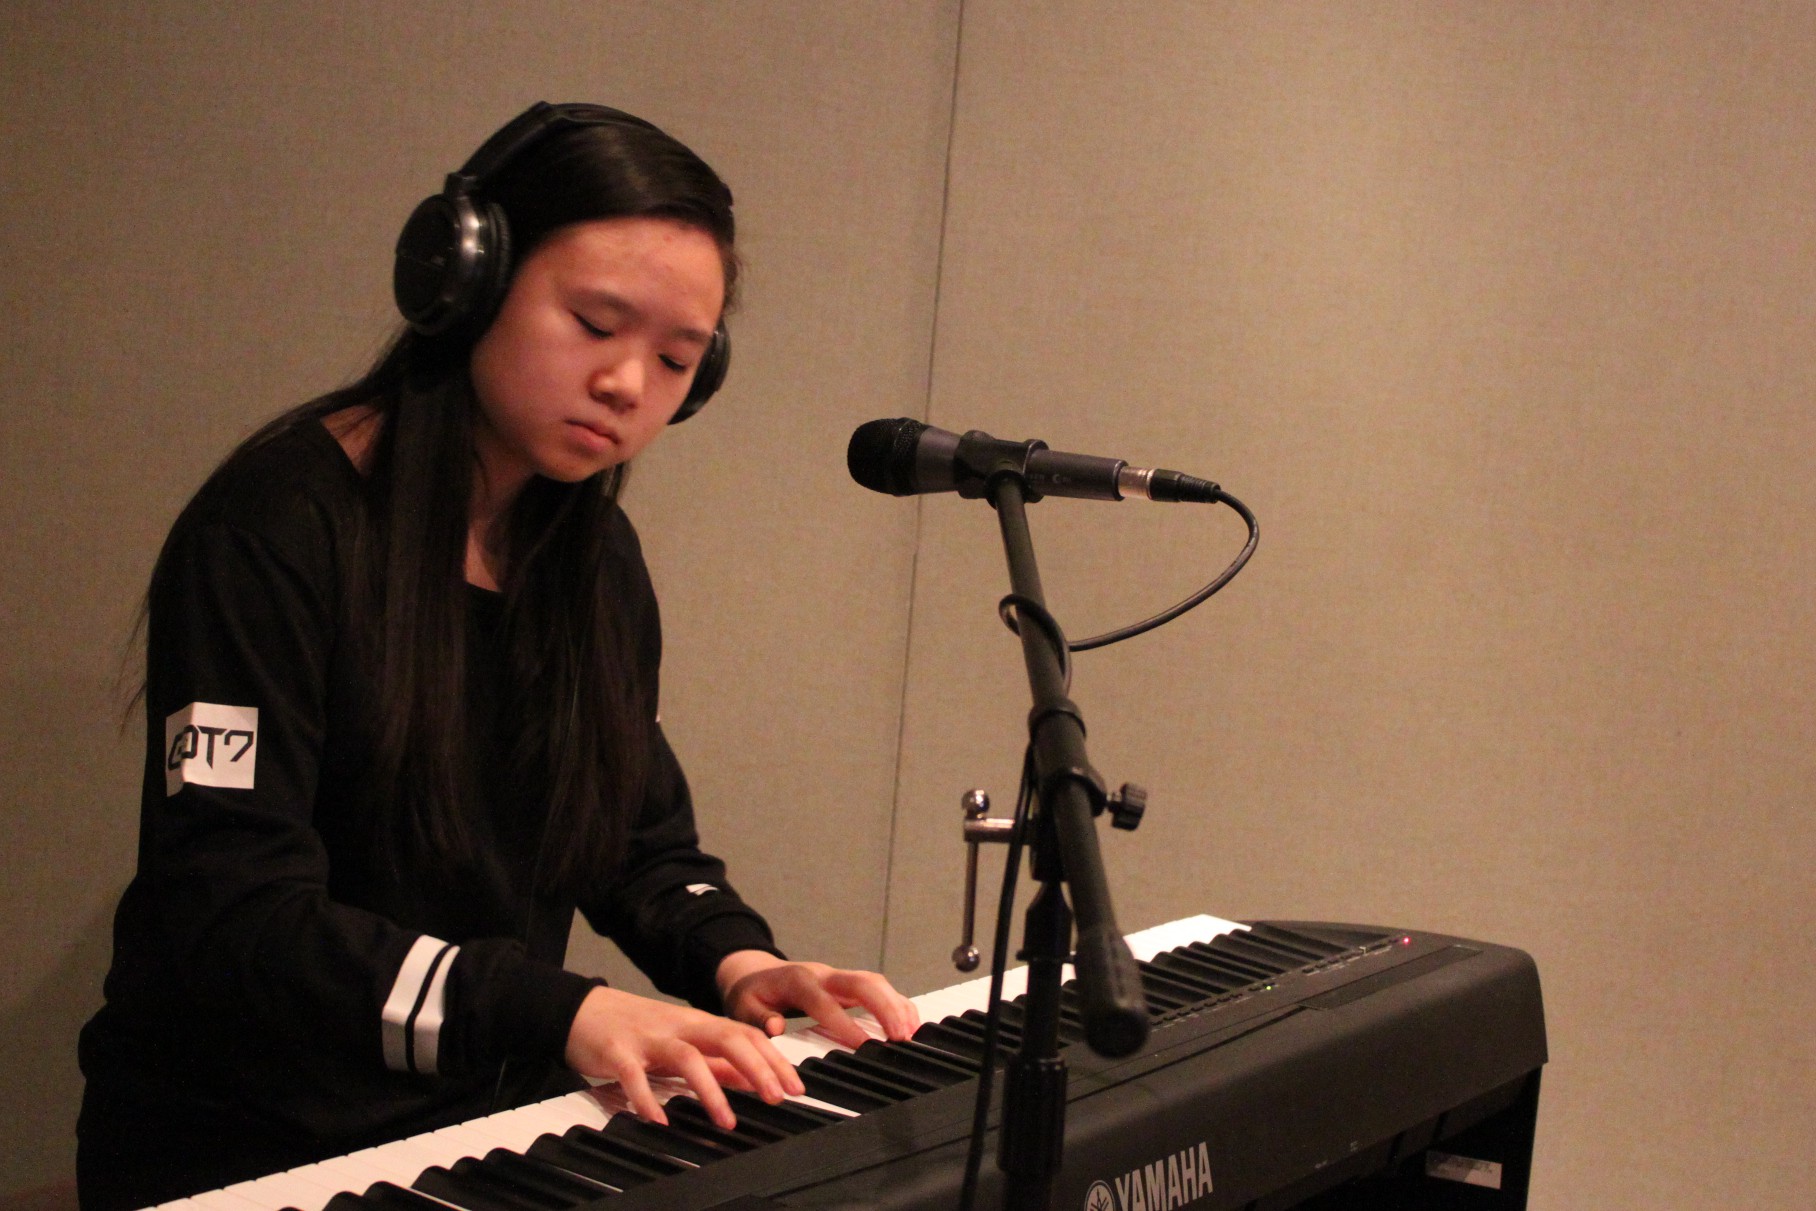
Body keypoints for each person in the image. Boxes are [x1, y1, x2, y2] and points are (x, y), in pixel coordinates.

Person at [76, 102, 917, 1211]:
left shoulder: (592, 557)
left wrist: (741, 965)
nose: (628, 385)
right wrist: (559, 1009)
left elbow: (629, 835)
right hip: (250, 1140)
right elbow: (235, 915)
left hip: (484, 1125)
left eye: (675, 358)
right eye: (594, 323)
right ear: (462, 280)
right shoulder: (276, 525)